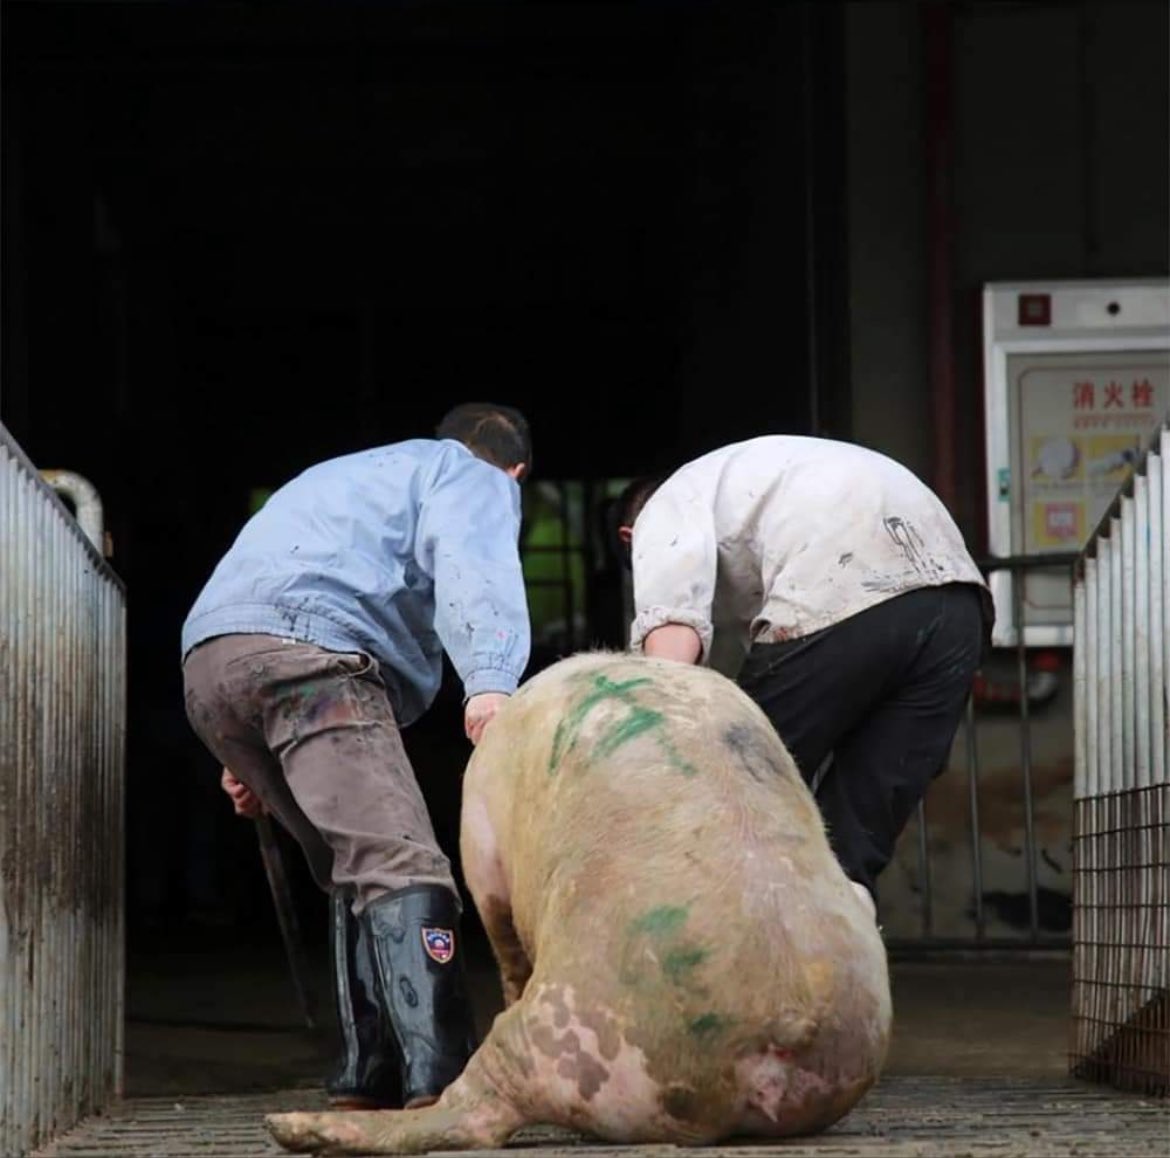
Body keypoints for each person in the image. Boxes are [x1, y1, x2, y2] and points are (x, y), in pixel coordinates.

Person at [181, 402, 533, 1111]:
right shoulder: (470, 475)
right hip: (309, 661)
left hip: (211, 665)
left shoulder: (336, 478)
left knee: (353, 868)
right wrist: (492, 683)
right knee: (401, 863)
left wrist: (243, 749)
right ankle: (445, 1085)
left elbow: (254, 593)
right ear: (516, 471)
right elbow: (475, 563)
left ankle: (367, 1076)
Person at [614, 434, 993, 918]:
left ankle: (710, 960)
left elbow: (672, 645)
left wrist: (652, 761)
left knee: (730, 798)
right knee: (849, 851)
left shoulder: (665, 506)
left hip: (841, 590)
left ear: (630, 538)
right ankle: (839, 963)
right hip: (957, 610)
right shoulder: (753, 480)